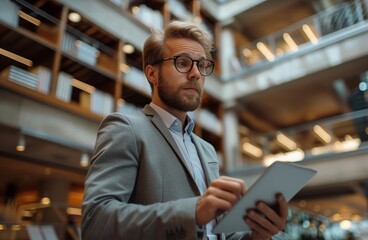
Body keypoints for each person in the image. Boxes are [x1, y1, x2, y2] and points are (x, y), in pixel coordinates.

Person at [81, 20, 288, 240]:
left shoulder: (206, 150)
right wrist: (193, 211)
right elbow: (96, 222)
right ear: (152, 73)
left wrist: (257, 234)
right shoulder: (126, 129)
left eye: (201, 65)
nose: (195, 74)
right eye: (182, 63)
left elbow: (217, 234)